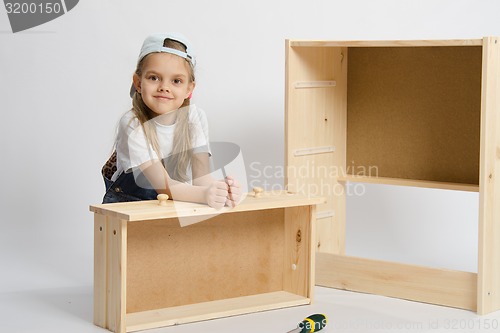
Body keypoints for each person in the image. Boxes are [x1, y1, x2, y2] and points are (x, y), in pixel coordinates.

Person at [101, 32, 241, 208]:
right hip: (129, 205)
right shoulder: (132, 124)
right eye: (154, 78)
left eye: (176, 81)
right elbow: (163, 186)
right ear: (138, 82)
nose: (164, 87)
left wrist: (221, 190)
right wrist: (205, 194)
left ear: (189, 89)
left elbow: (201, 178)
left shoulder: (194, 118)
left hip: (169, 203)